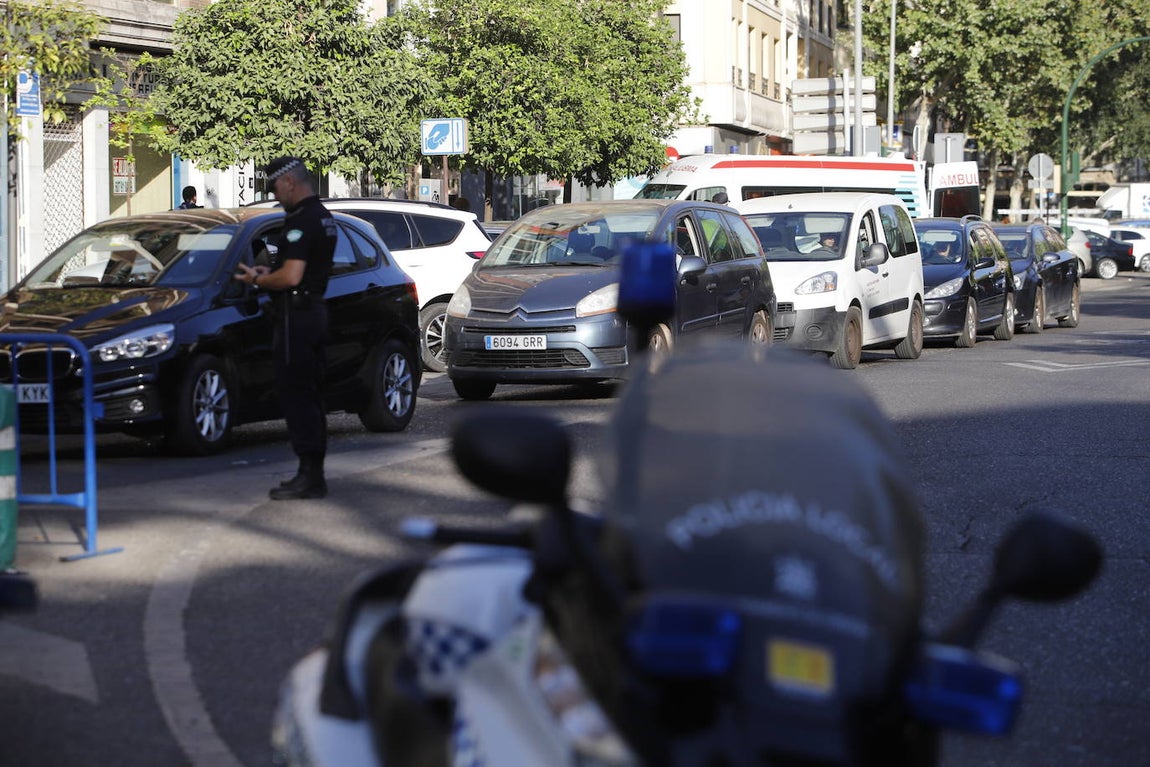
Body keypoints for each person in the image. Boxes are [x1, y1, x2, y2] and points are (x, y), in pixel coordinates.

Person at [234, 157, 337, 500]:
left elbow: (292, 277)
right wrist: (271, 276)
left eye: (275, 187)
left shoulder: (302, 220)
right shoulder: (322, 216)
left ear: (290, 182)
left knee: (297, 394)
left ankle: (309, 476)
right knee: (310, 393)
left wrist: (259, 280)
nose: (275, 196)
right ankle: (312, 473)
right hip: (313, 310)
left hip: (297, 317)